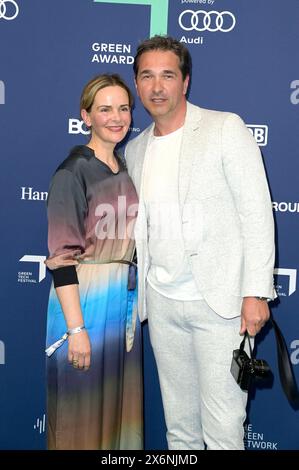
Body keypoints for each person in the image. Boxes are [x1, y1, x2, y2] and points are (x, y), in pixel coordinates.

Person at [124, 36, 276, 450]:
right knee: (180, 430)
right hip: (162, 304)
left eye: (167, 76)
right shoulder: (135, 150)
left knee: (224, 428)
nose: (157, 87)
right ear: (136, 85)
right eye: (147, 76)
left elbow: (257, 213)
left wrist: (255, 292)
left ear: (185, 82)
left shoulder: (225, 128)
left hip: (222, 305)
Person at [45, 74, 142, 450]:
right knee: (79, 417)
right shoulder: (72, 172)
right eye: (105, 109)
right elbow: (62, 258)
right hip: (83, 305)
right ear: (86, 116)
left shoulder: (126, 169)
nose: (116, 117)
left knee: (117, 415)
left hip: (122, 306)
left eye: (123, 108)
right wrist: (76, 330)